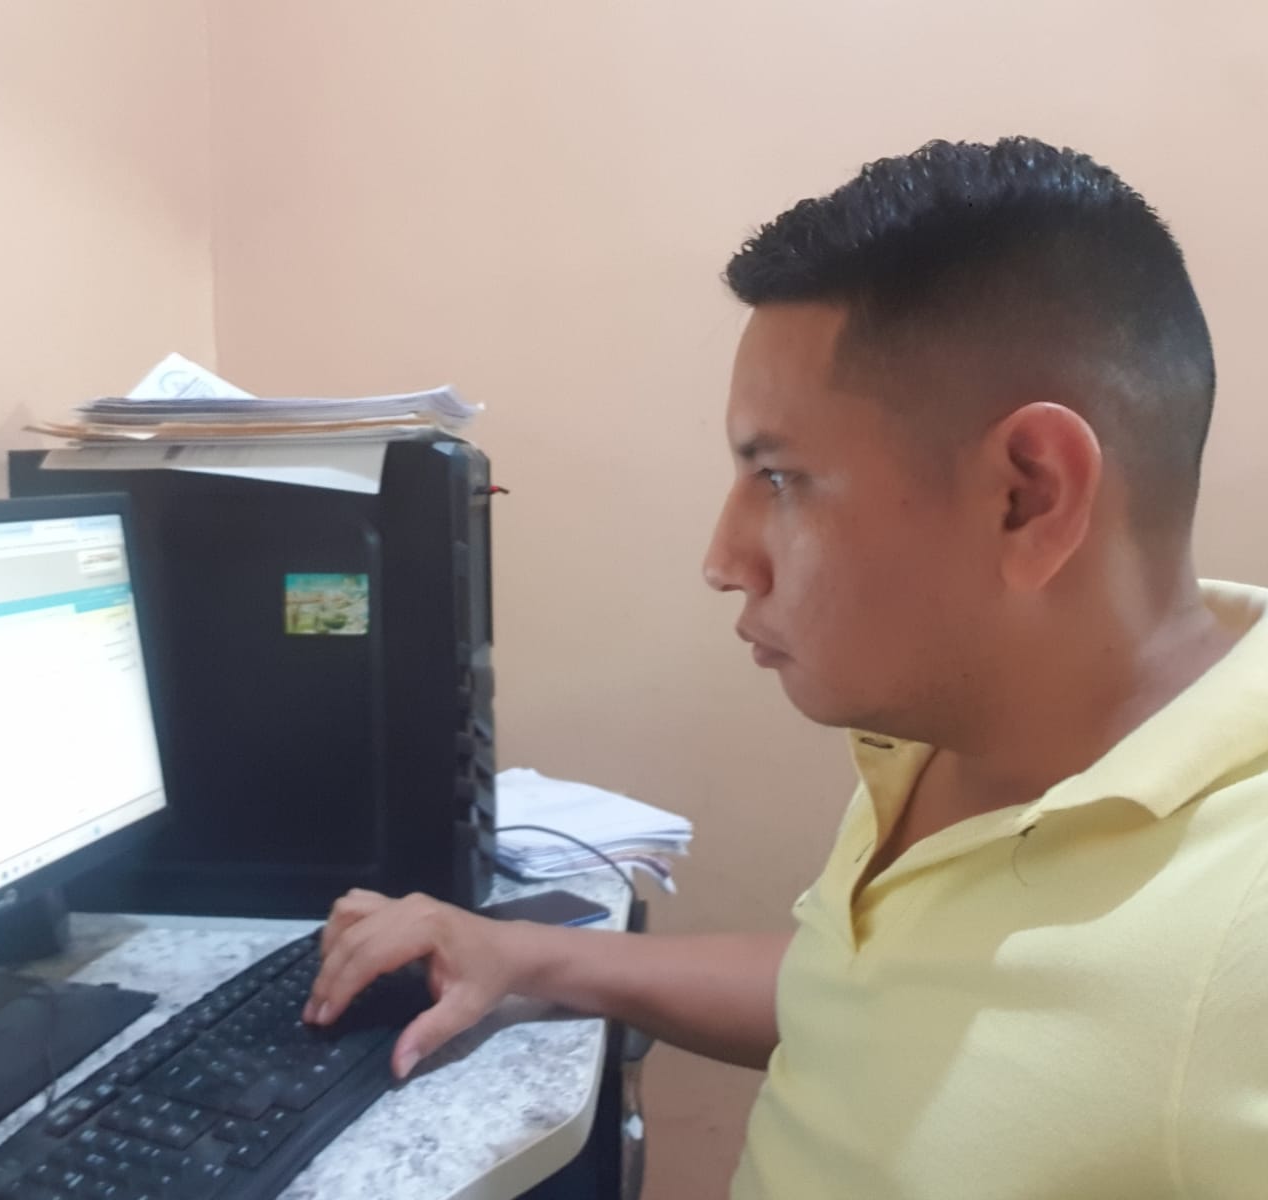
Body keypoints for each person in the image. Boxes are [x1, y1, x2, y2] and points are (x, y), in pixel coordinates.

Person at [303, 137, 1268, 1198]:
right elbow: (858, 995)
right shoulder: (956, 724)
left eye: (779, 478)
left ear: (1026, 497)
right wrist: (522, 955)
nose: (724, 560)